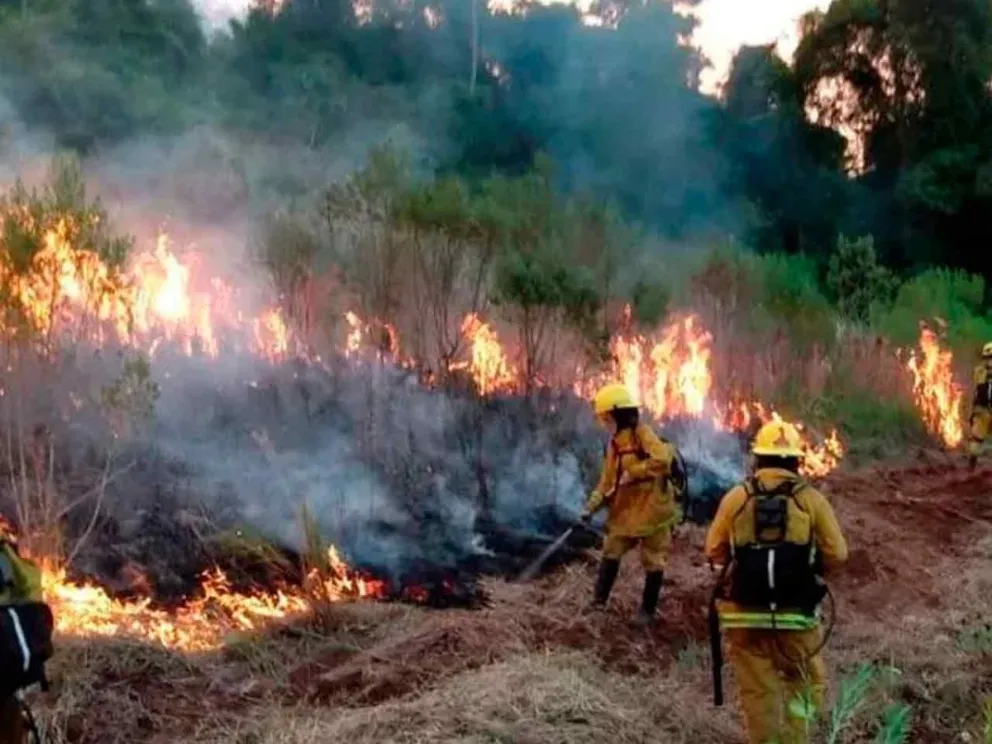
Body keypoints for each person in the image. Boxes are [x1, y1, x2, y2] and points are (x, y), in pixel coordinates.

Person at [705, 419, 848, 744]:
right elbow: (838, 554)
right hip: (796, 617)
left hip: (744, 616)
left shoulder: (736, 497)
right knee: (805, 684)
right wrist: (813, 571)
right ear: (796, 461)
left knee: (758, 692)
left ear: (758, 459)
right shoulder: (810, 499)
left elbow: (713, 550)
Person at [580, 383, 679, 627]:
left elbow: (663, 459)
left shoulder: (642, 434)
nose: (605, 423)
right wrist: (589, 508)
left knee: (653, 561)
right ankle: (598, 603)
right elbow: (606, 483)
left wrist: (636, 471)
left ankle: (647, 612)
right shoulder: (614, 445)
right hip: (626, 513)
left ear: (619, 415)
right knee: (611, 550)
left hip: (653, 513)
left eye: (607, 417)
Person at [968, 342, 992, 470]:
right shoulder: (980, 371)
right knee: (976, 440)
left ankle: (971, 466)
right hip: (983, 411)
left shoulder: (979, 371)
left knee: (976, 440)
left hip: (981, 410)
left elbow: (977, 388)